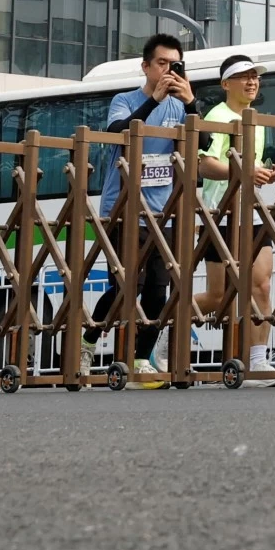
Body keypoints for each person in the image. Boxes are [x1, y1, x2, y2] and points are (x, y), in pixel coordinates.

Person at [100, 35, 195, 376]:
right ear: (145, 66)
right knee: (127, 286)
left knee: (158, 290)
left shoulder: (180, 106)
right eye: (161, 63)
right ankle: (88, 340)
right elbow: (119, 132)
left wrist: (191, 102)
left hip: (163, 212)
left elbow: (204, 142)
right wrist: (153, 101)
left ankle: (141, 360)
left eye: (175, 64)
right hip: (122, 209)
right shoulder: (125, 100)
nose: (168, 70)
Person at [195, 53, 275, 373]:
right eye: (244, 76)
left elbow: (249, 166)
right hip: (220, 213)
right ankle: (164, 330)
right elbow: (205, 165)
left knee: (262, 285)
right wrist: (245, 172)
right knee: (219, 296)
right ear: (225, 84)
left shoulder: (255, 120)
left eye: (255, 76)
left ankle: (258, 360)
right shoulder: (216, 116)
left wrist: (263, 173)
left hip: (252, 211)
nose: (251, 81)